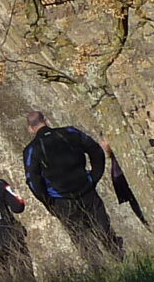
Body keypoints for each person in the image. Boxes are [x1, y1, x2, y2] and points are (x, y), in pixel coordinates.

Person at [22, 110, 125, 264]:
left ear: (30, 129)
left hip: (61, 200)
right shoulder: (69, 132)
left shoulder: (31, 150)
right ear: (47, 120)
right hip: (86, 190)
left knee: (83, 242)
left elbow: (33, 182)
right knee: (104, 230)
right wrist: (94, 176)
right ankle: (120, 261)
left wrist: (49, 202)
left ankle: (100, 275)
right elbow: (96, 150)